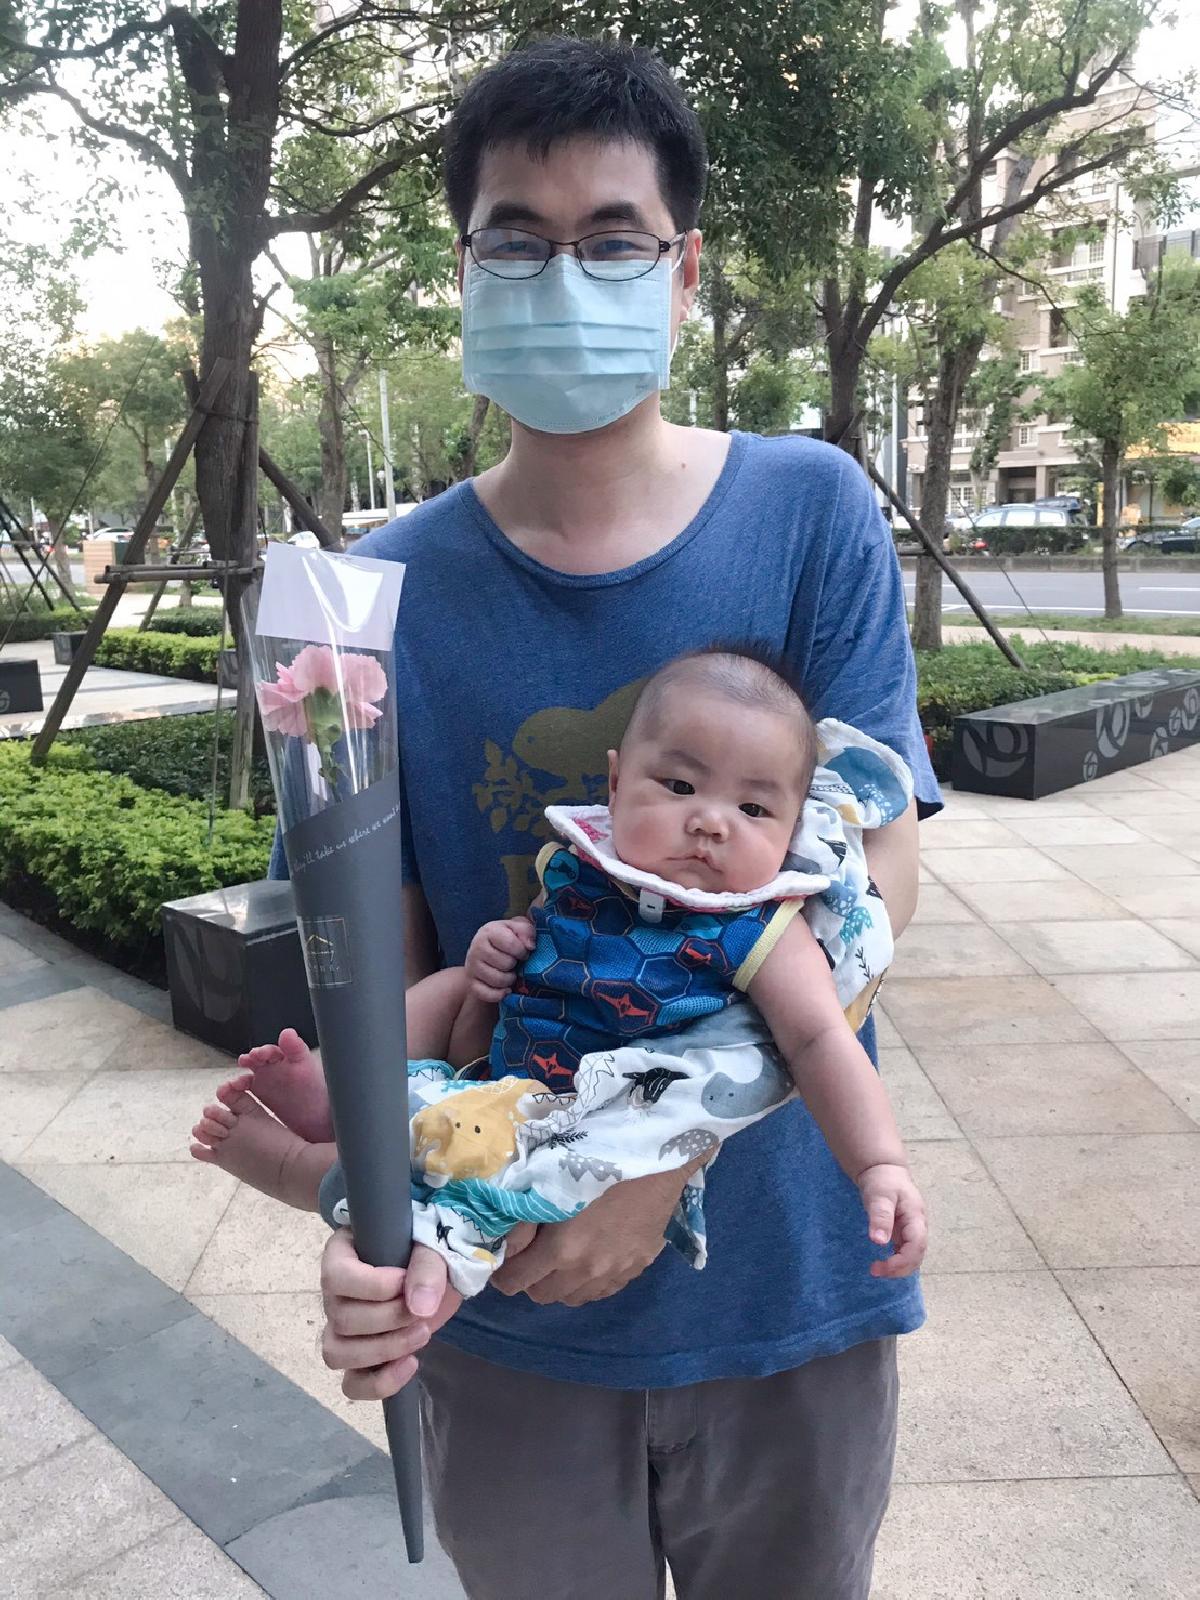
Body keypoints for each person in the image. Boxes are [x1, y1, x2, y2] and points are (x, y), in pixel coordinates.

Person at [261, 36, 939, 1600]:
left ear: (684, 271)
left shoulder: (811, 511)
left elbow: (874, 883)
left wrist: (656, 1165)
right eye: (519, 239)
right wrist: (371, 1219)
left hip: (784, 1292)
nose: (565, 277)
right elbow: (380, 978)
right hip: (506, 1312)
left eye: (614, 240)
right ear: (464, 270)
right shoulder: (367, 600)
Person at [192, 649, 927, 1302]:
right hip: (499, 1052)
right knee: (449, 988)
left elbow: (819, 1041)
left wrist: (879, 1164)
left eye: (754, 807)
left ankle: (288, 1163)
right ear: (616, 782)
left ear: (794, 827)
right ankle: (339, 1091)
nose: (711, 822)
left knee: (446, 1186)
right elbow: (538, 944)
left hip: (577, 1121)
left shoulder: (759, 926)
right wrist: (497, 950)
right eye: (678, 785)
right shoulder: (585, 865)